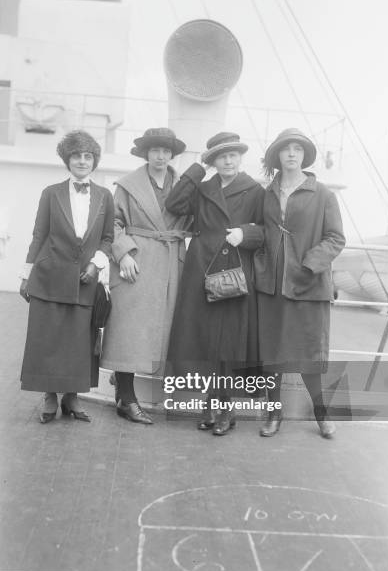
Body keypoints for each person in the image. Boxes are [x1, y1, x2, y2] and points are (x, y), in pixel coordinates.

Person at [165, 132, 265, 435]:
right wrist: (196, 168)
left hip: (234, 269)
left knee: (229, 340)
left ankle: (225, 407)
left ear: (240, 157)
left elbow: (266, 231)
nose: (228, 160)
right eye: (221, 156)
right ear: (212, 161)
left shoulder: (255, 190)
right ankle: (210, 401)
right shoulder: (203, 187)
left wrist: (245, 235)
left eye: (233, 154)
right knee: (205, 337)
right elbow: (175, 203)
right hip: (201, 267)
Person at [254, 128, 345, 438]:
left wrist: (310, 265)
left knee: (310, 355)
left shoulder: (323, 195)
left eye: (297, 149)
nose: (291, 153)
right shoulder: (267, 192)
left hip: (308, 285)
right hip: (272, 285)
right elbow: (260, 231)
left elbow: (335, 238)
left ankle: (322, 413)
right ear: (277, 155)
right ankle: (273, 413)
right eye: (285, 149)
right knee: (272, 354)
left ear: (305, 155)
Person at [20, 130, 114, 423]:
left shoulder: (104, 196)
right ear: (67, 160)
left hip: (84, 281)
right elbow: (39, 234)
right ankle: (49, 397)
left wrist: (95, 265)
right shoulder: (50, 193)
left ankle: (72, 399)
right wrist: (26, 274)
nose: (82, 161)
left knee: (78, 342)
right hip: (49, 276)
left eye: (87, 156)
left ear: (94, 160)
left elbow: (108, 238)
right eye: (76, 156)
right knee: (48, 339)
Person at [101, 127, 190, 424]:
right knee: (129, 329)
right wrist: (123, 252)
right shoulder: (127, 185)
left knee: (160, 329)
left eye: (166, 151)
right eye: (155, 150)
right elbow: (112, 222)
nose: (161, 156)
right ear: (146, 153)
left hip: (170, 262)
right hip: (135, 262)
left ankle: (123, 391)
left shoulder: (185, 184)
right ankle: (127, 397)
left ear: (172, 154)